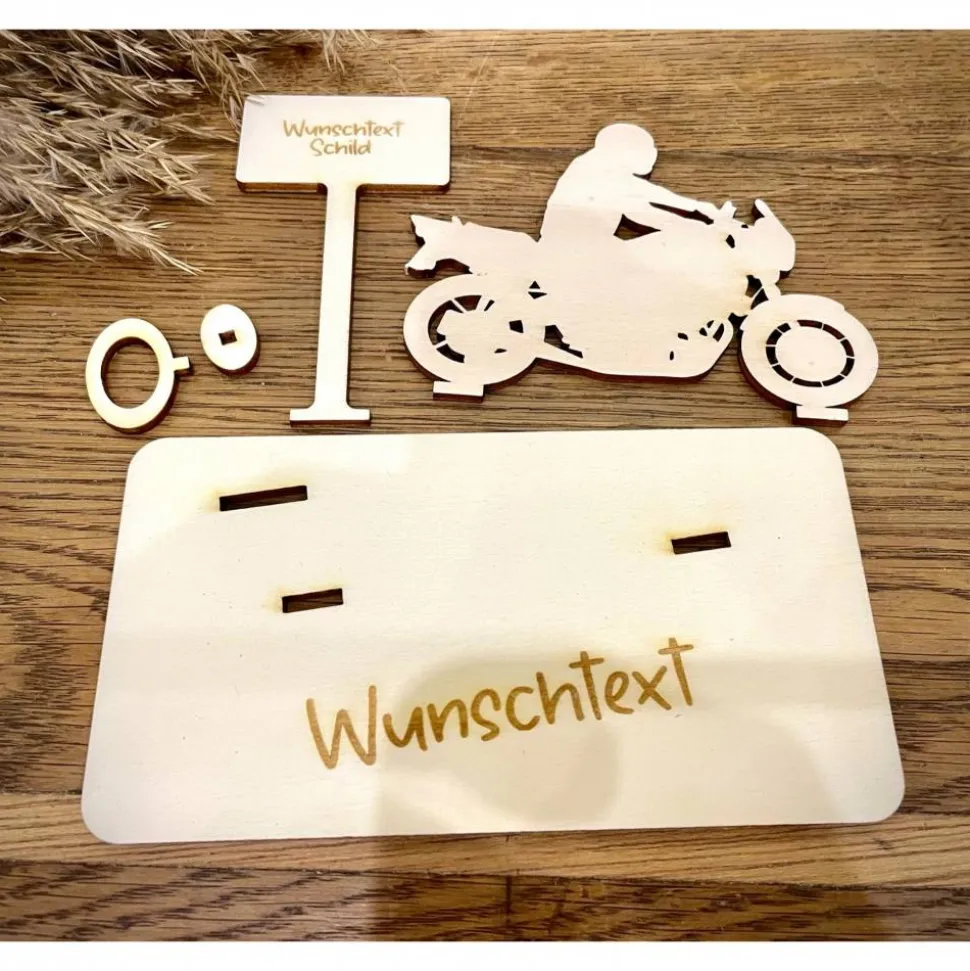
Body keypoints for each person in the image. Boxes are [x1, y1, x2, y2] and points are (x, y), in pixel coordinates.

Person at [539, 123, 724, 243]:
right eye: (644, 148)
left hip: (584, 247)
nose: (651, 154)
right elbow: (643, 208)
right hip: (576, 251)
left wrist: (700, 209)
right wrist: (696, 222)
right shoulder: (601, 171)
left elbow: (652, 195)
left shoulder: (596, 166)